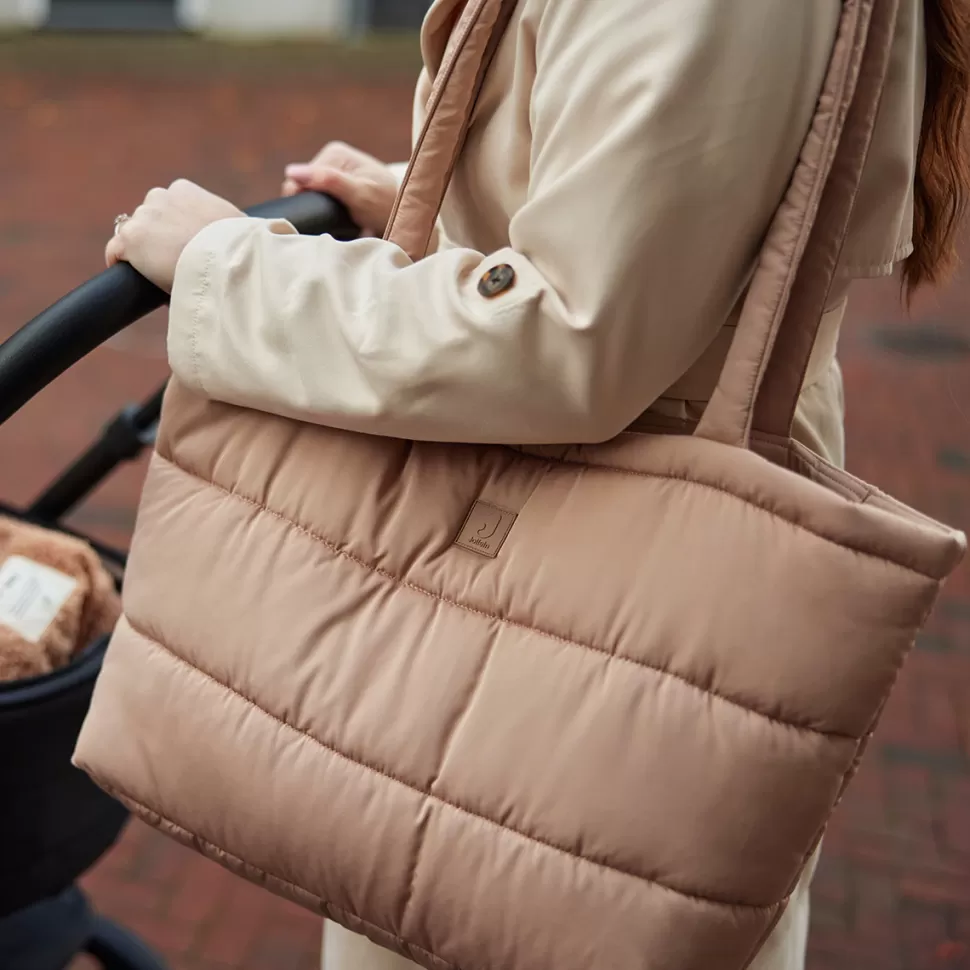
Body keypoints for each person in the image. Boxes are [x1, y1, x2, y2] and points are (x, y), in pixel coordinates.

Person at [104, 0, 969, 967]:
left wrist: (231, 271)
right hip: (604, 532)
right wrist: (438, 207)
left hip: (607, 543)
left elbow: (570, 342)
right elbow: (672, 233)